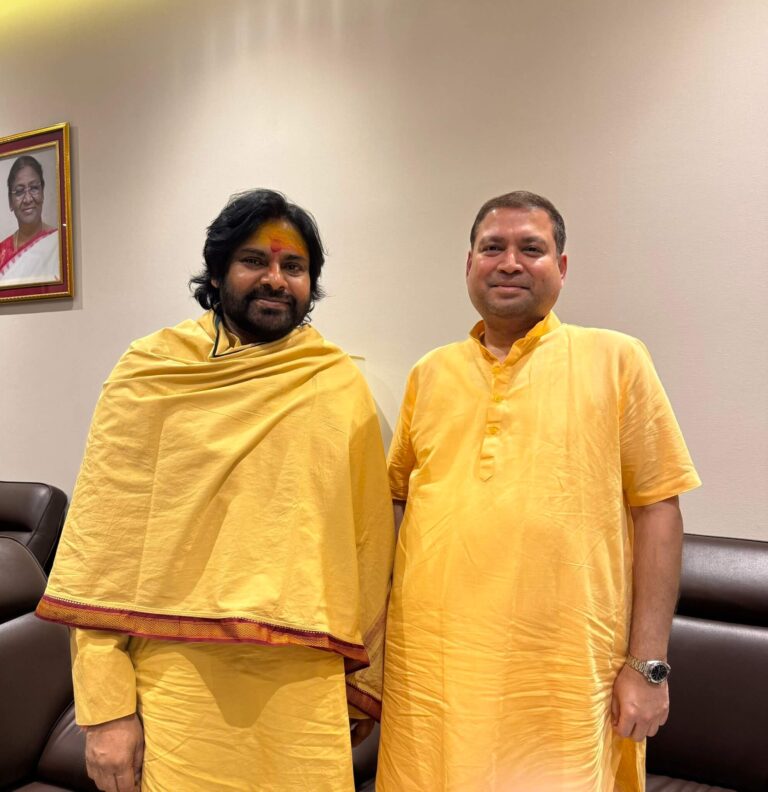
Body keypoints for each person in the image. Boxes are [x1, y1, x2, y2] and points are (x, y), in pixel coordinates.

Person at [37, 189, 394, 792]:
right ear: (219, 269)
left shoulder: (336, 385)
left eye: (294, 266)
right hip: (179, 676)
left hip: (304, 684)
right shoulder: (151, 373)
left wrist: (362, 685)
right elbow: (104, 550)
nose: (276, 279)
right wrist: (105, 711)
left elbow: (368, 546)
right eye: (255, 261)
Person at [376, 191, 701, 791]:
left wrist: (647, 667)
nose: (509, 262)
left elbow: (658, 508)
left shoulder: (617, 359)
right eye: (491, 247)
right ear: (468, 263)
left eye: (532, 248)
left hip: (564, 678)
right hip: (432, 677)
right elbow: (397, 509)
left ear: (563, 267)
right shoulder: (429, 373)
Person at [0, 155, 59, 285]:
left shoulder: (59, 244)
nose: (28, 199)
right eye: (19, 191)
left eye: (34, 188)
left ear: (42, 193)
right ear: (10, 202)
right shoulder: (2, 253)